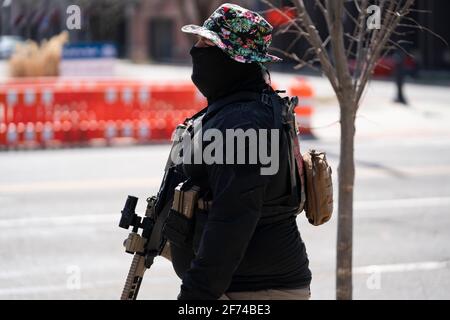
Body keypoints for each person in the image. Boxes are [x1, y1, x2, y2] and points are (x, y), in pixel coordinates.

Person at [170, 3, 311, 300]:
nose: (196, 50)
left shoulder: (244, 123)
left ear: (234, 59)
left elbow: (233, 219)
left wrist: (195, 296)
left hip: (257, 291)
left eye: (207, 44)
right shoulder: (235, 108)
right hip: (238, 285)